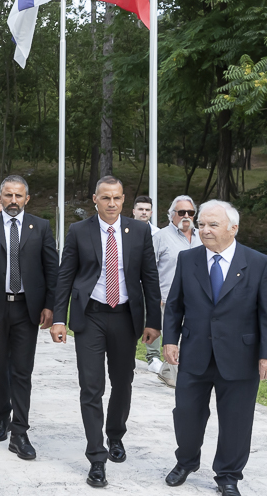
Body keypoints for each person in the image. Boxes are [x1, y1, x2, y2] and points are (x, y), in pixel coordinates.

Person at [52, 176, 161, 488]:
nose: (111, 204)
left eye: (116, 198)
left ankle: (115, 435)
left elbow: (150, 278)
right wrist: (59, 318)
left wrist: (154, 321)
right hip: (91, 317)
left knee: (123, 382)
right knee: (91, 386)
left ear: (123, 200)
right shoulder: (78, 231)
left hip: (126, 317)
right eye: (105, 198)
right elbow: (64, 277)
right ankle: (96, 457)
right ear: (95, 199)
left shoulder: (139, 231)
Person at [162, 201, 267, 496]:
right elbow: (174, 304)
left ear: (233, 228)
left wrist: (265, 354)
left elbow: (265, 313)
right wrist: (170, 339)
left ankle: (228, 475)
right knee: (186, 413)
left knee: (236, 419)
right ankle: (186, 462)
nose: (204, 230)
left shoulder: (257, 263)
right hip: (195, 351)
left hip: (240, 356)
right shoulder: (188, 259)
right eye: (202, 224)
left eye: (212, 225)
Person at [0, 175, 59, 461]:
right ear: (0, 197)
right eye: (8, 195)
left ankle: (20, 431)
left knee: (22, 370)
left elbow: (51, 269)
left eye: (19, 196)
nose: (13, 201)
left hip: (26, 308)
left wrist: (50, 306)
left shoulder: (40, 227)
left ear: (27, 199)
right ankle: (1, 415)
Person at [150, 195, 202, 380]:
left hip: (198, 301)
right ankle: (177, 379)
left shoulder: (203, 237)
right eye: (181, 212)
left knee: (193, 340)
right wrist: (154, 298)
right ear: (172, 215)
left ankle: (168, 372)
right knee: (174, 340)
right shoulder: (160, 237)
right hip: (168, 300)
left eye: (190, 212)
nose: (186, 216)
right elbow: (149, 271)